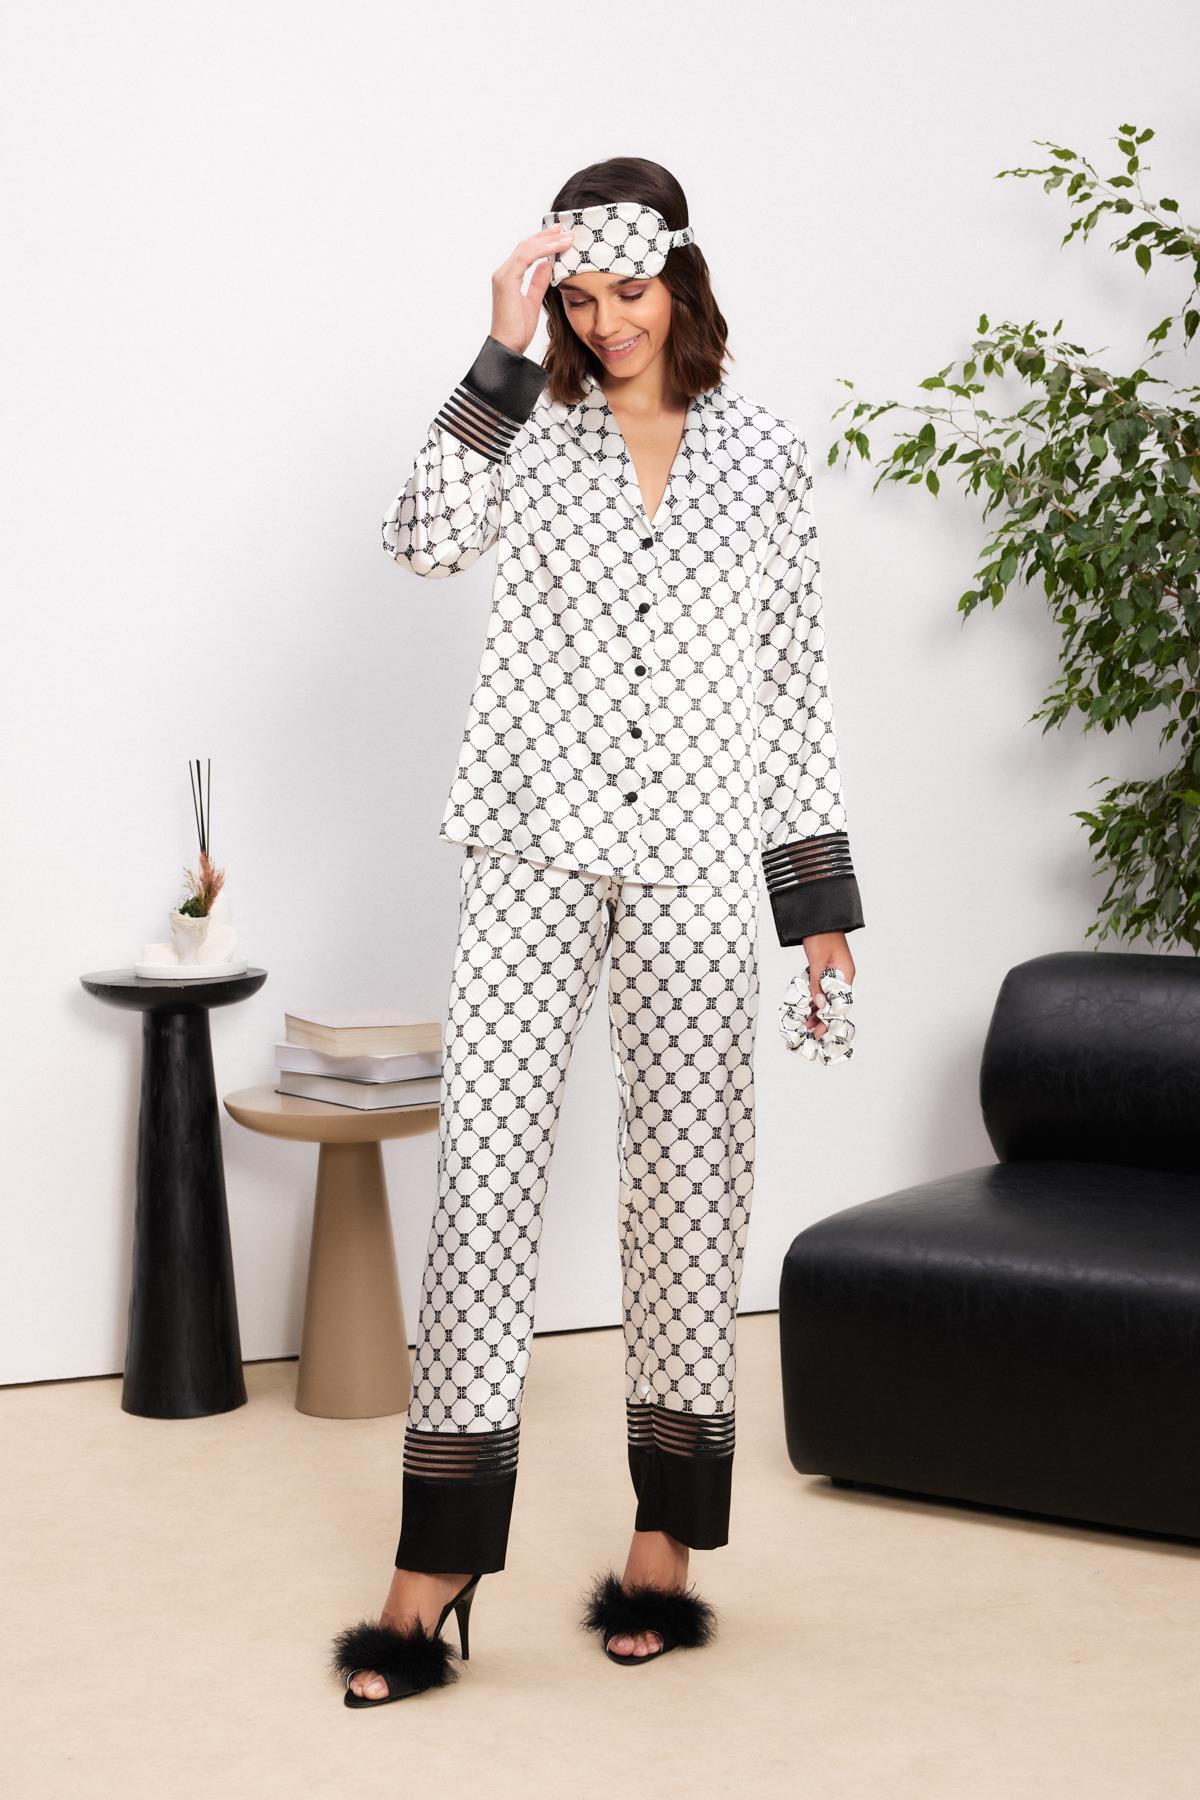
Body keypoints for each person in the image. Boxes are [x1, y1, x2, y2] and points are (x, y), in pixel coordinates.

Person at [331, 156, 865, 1706]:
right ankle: (434, 1569)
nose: (606, 322)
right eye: (579, 298)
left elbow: (793, 688)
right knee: (482, 1186)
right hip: (531, 851)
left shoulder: (764, 456)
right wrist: (500, 344)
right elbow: (421, 538)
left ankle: (664, 1546)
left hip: (699, 866)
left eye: (628, 292)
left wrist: (817, 909)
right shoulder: (529, 425)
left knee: (692, 1193)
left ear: (680, 283)